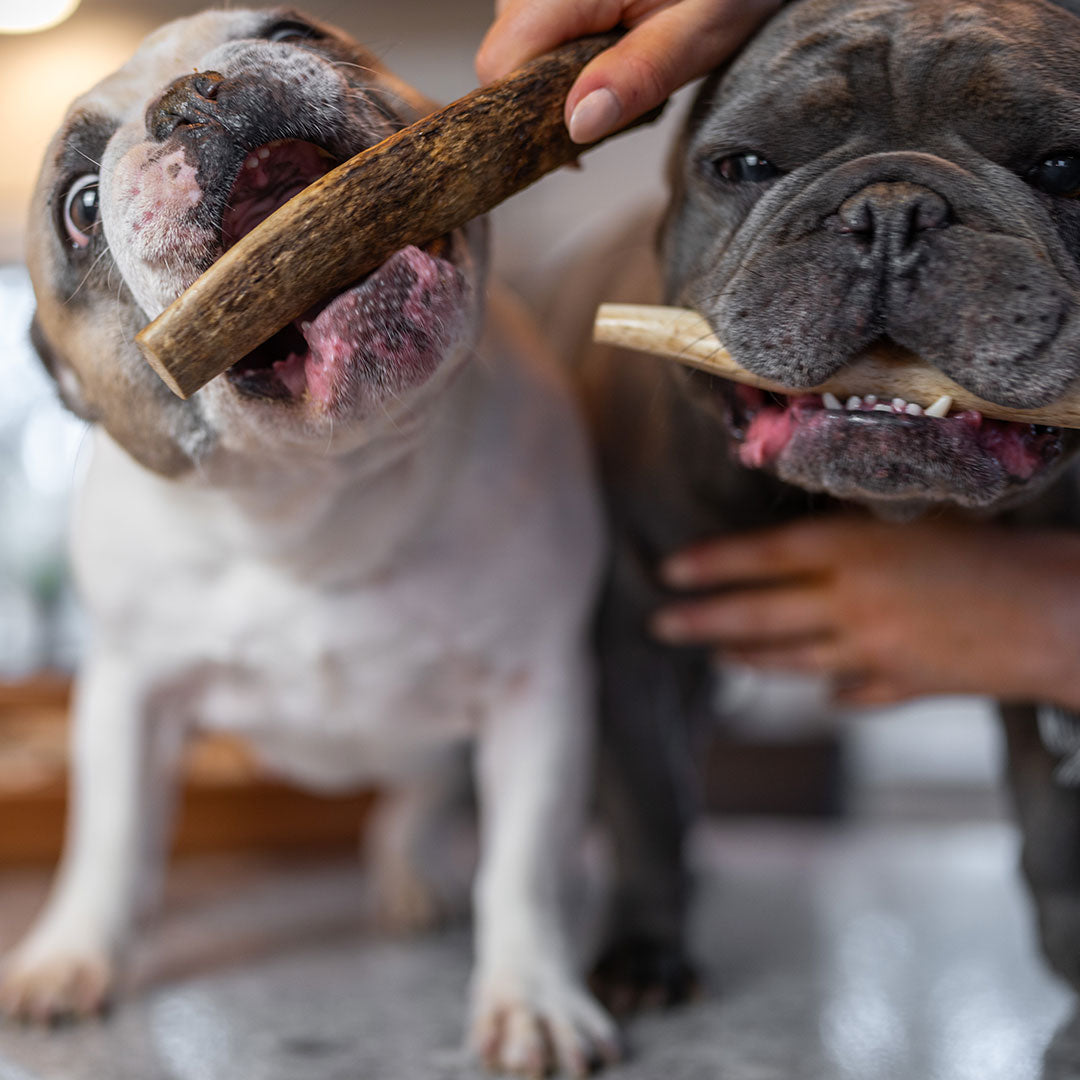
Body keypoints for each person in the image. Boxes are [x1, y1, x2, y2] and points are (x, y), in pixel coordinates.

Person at [477, 0, 1080, 722]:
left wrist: (1057, 624)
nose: (888, 227)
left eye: (1058, 170)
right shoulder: (611, 406)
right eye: (752, 166)